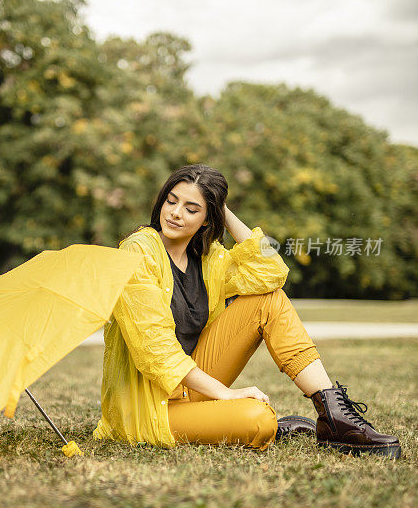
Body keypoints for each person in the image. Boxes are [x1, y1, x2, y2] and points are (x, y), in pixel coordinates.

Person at [93, 164, 401, 459]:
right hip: (149, 406)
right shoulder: (138, 250)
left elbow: (273, 271)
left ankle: (334, 415)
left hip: (194, 385)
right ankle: (232, 419)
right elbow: (155, 351)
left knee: (269, 299)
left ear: (207, 219)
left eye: (191, 208)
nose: (175, 213)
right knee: (259, 420)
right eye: (171, 201)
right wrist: (226, 395)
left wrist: (220, 206)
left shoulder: (208, 257)